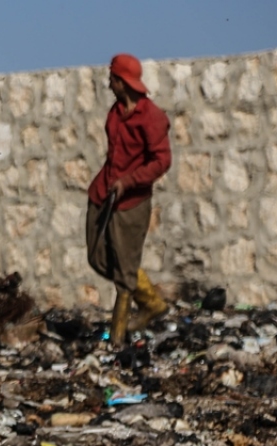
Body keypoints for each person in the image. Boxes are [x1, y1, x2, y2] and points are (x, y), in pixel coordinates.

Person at [85, 53, 172, 345]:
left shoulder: (152, 117)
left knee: (124, 274)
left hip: (131, 203)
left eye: (112, 79)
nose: (108, 84)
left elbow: (161, 161)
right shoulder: (115, 111)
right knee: (97, 257)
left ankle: (117, 338)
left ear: (122, 82)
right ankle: (152, 302)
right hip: (103, 193)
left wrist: (130, 182)